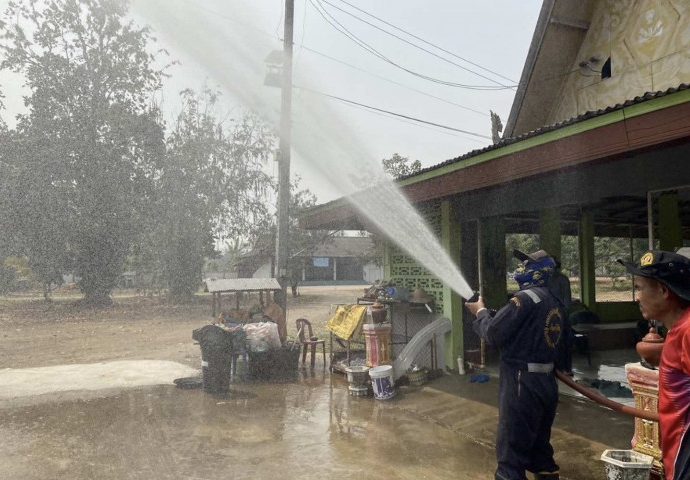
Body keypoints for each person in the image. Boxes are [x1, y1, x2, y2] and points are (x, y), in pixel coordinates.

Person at [466, 249, 567, 480]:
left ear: (538, 271)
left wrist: (480, 312)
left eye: (526, 264)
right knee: (539, 449)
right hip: (546, 384)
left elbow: (492, 333)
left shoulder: (523, 299)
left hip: (522, 383)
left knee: (510, 453)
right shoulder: (554, 301)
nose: (521, 268)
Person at [619, 250, 690, 480]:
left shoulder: (688, 331)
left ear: (663, 290)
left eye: (640, 287)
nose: (636, 297)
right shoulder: (677, 330)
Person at [547, 258, 573, 374]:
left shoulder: (551, 279)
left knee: (556, 341)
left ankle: (559, 367)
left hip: (554, 314)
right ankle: (565, 368)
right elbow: (567, 300)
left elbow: (566, 300)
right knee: (563, 342)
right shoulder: (563, 278)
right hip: (561, 314)